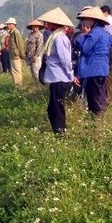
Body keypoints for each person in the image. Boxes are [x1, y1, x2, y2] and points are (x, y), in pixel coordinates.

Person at [37, 7, 74, 135]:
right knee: (53, 107)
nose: (47, 25)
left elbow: (65, 60)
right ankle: (57, 130)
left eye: (49, 23)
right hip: (55, 76)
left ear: (55, 24)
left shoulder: (59, 38)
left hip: (60, 76)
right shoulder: (54, 36)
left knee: (56, 107)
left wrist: (70, 75)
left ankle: (60, 132)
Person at [75, 7, 112, 115]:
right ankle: (98, 117)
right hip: (100, 68)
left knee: (94, 97)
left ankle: (97, 118)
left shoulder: (94, 33)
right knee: (99, 94)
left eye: (87, 19)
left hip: (94, 68)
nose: (84, 22)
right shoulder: (103, 32)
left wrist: (83, 36)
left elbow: (85, 48)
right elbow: (111, 41)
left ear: (93, 20)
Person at [5, 17, 25, 86]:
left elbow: (20, 44)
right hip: (12, 55)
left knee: (17, 71)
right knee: (13, 71)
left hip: (16, 55)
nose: (8, 26)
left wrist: (22, 54)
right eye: (7, 24)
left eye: (9, 24)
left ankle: (19, 85)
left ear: (14, 25)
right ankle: (16, 85)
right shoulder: (11, 33)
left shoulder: (16, 33)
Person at [25, 19, 44, 84]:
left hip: (36, 57)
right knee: (32, 71)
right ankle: (34, 84)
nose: (34, 27)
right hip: (29, 56)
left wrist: (35, 56)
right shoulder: (31, 34)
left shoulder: (39, 35)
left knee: (36, 71)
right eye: (33, 26)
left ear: (38, 27)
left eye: (36, 26)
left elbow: (39, 47)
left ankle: (38, 85)